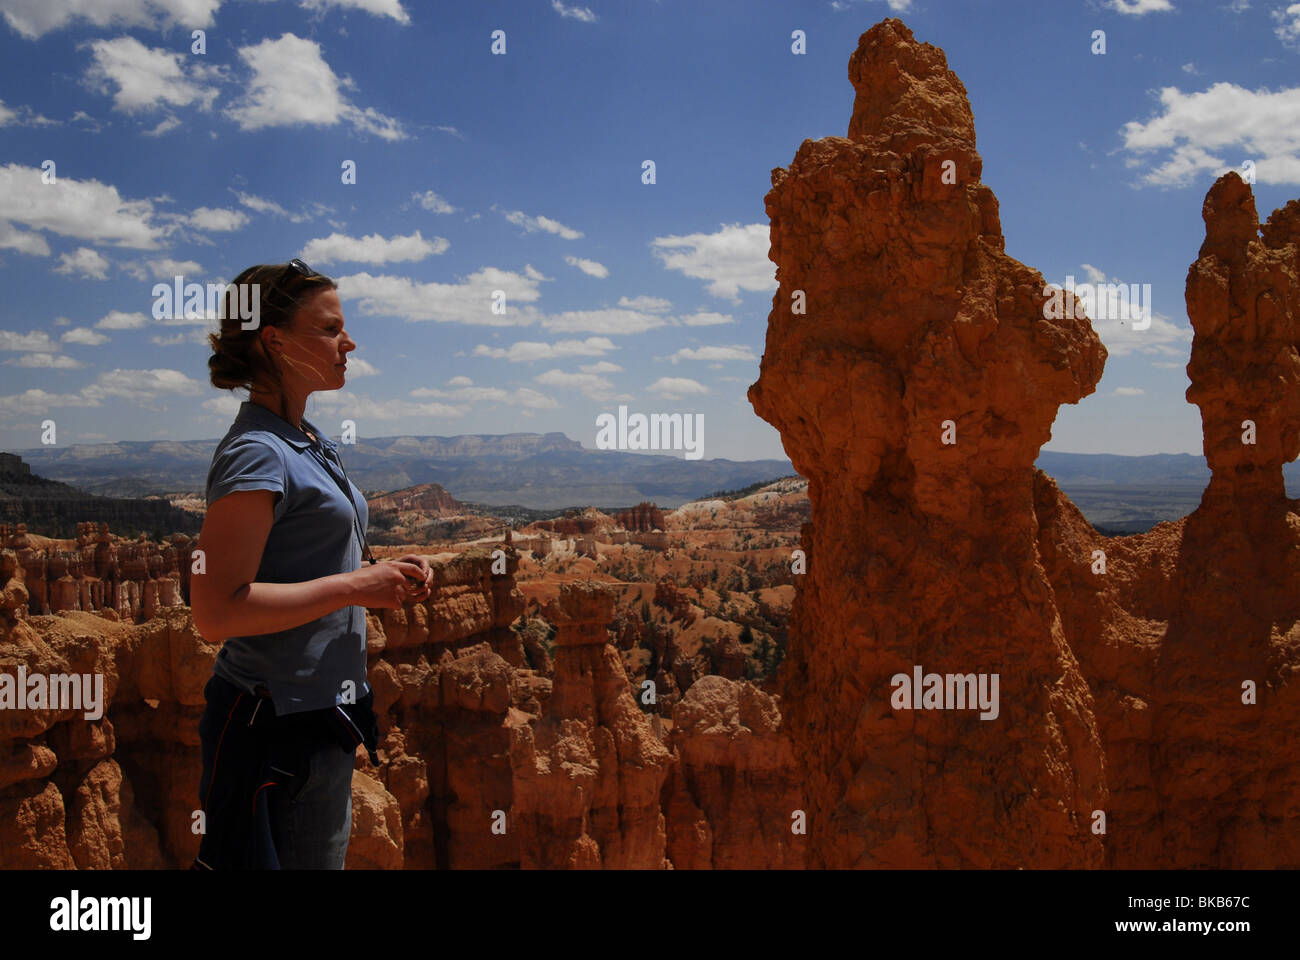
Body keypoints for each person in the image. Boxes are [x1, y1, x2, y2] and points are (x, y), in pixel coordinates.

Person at [189, 258, 433, 869]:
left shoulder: (304, 438)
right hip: (270, 726)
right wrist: (356, 585)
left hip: (318, 715)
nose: (348, 342)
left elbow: (307, 555)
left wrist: (384, 570)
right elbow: (215, 612)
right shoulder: (256, 452)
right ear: (274, 340)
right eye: (330, 329)